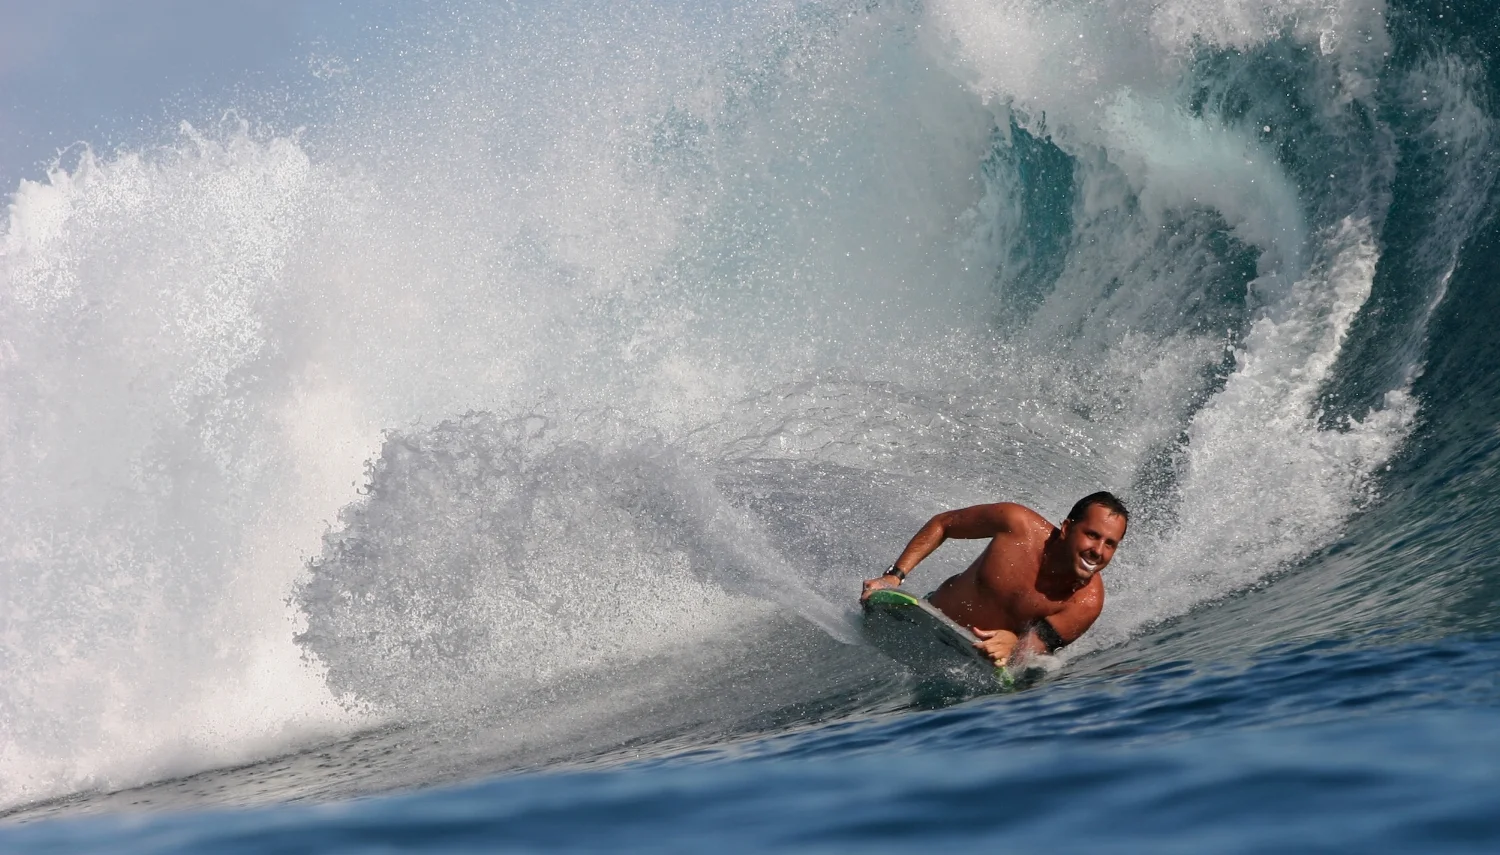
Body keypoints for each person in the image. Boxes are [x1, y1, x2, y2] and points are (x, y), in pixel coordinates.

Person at [861, 492, 1128, 668]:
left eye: (1110, 544)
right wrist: (894, 576)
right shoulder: (1016, 524)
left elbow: (1032, 652)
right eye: (1092, 535)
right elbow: (944, 524)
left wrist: (1014, 645)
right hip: (923, 617)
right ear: (1067, 528)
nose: (1099, 551)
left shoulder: (1087, 603)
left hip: (970, 661)